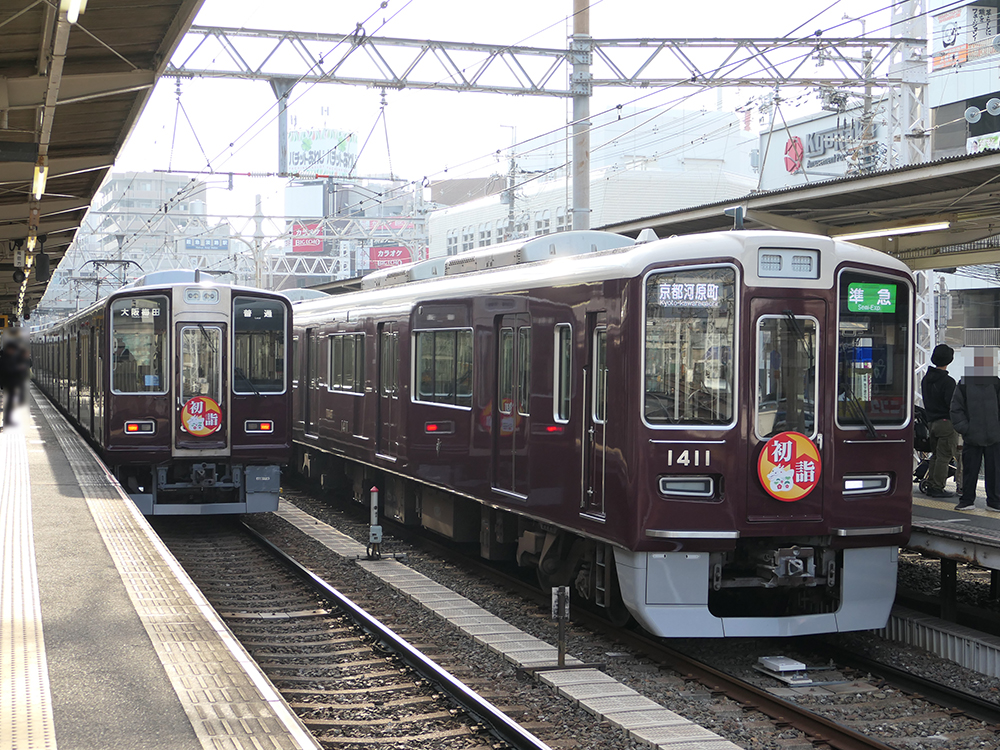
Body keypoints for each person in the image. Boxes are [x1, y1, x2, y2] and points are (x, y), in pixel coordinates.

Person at [951, 347, 1000, 511]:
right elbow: (956, 409)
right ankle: (967, 500)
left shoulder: (996, 383)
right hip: (972, 436)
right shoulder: (964, 384)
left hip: (994, 435)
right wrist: (966, 428)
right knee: (970, 470)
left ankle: (994, 501)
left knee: (995, 470)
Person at [921, 344, 958, 498]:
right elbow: (952, 404)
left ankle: (931, 484)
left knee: (936, 455)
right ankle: (937, 487)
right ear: (949, 360)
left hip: (931, 422)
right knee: (944, 456)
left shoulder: (925, 379)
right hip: (946, 423)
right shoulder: (948, 382)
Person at [0, 337, 31, 427]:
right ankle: (7, 420)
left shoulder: (13, 357)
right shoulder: (4, 359)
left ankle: (9, 419)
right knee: (9, 402)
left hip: (13, 383)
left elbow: (28, 364)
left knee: (12, 402)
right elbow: (7, 370)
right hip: (8, 383)